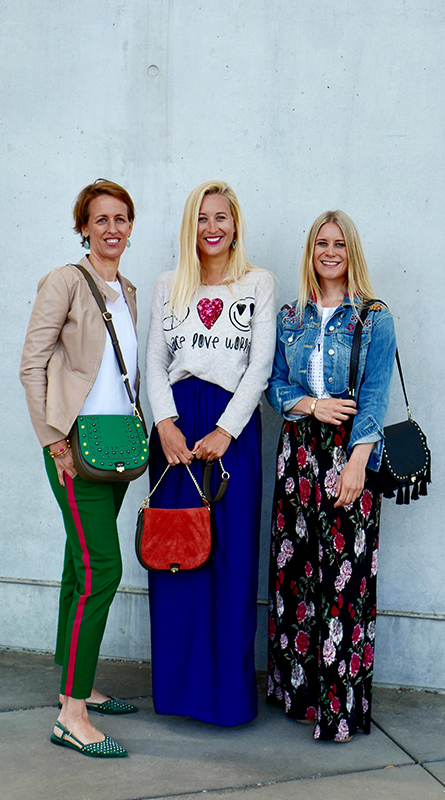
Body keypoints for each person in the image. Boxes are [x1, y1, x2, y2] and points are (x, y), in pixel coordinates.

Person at [145, 180, 276, 726]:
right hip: (176, 435)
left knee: (229, 556)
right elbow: (155, 363)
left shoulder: (257, 283)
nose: (212, 227)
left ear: (235, 224)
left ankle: (226, 698)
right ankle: (178, 692)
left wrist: (225, 431)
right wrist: (164, 425)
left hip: (230, 433)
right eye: (202, 218)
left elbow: (260, 365)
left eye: (221, 217)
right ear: (190, 227)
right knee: (178, 555)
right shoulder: (169, 284)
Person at [19, 179, 142, 758]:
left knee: (80, 564)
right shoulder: (65, 281)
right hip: (73, 447)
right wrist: (52, 442)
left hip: (113, 447)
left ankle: (79, 683)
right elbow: (32, 364)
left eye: (121, 219)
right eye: (101, 219)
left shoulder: (129, 291)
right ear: (84, 227)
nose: (112, 229)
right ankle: (71, 715)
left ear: (130, 227)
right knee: (102, 570)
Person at [265, 210, 396, 742]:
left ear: (351, 251)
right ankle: (300, 696)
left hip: (349, 452)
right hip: (297, 452)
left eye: (340, 244)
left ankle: (339, 707)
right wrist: (311, 405)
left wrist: (358, 464)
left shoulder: (374, 319)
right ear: (311, 252)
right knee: (295, 574)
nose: (330, 252)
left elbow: (375, 398)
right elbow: (275, 385)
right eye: (322, 243)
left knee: (344, 580)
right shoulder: (291, 316)